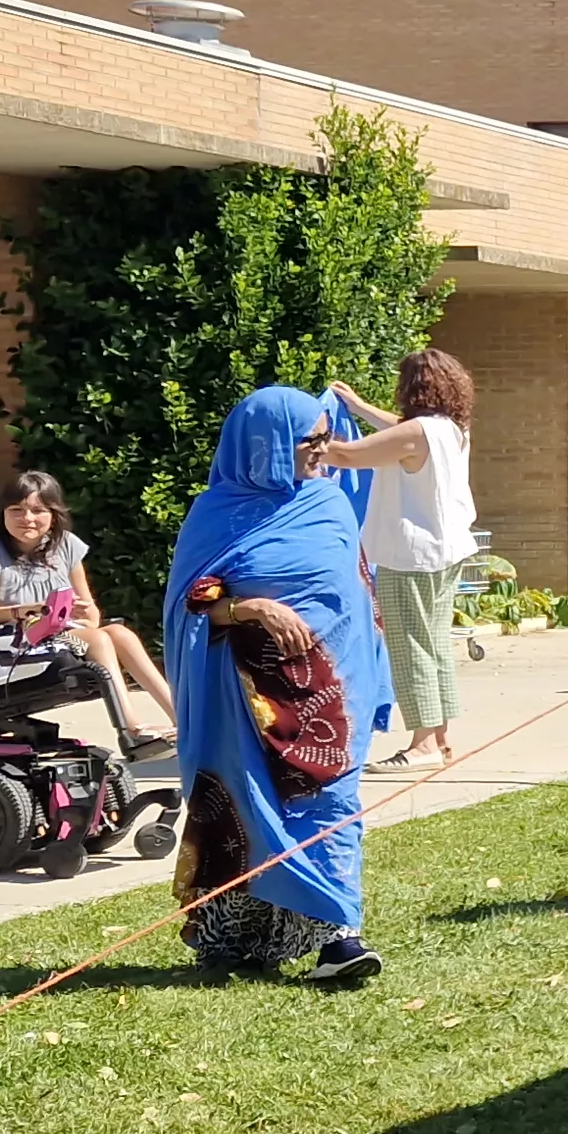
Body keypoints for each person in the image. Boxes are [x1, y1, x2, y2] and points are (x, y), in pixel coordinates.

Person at [166, 386, 396, 983]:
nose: (324, 450)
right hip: (240, 696)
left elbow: (356, 592)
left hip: (327, 695)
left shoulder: (329, 504)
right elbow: (193, 605)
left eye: (324, 437)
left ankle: (341, 938)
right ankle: (234, 937)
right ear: (264, 446)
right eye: (310, 442)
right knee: (243, 809)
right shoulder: (215, 514)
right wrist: (254, 609)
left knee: (332, 802)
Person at [323, 351, 479, 771]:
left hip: (411, 556)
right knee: (433, 646)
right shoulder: (451, 429)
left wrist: (305, 442)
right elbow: (395, 429)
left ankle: (423, 744)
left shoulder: (416, 435)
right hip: (446, 553)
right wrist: (357, 406)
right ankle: (440, 737)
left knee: (410, 648)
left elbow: (351, 455)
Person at [0, 469, 175, 747]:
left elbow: (92, 613)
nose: (27, 519)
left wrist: (83, 614)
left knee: (121, 634)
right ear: (3, 513)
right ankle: (130, 728)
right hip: (9, 636)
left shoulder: (66, 545)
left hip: (56, 631)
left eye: (38, 510)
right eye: (17, 510)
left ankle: (181, 719)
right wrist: (29, 610)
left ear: (53, 515)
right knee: (98, 639)